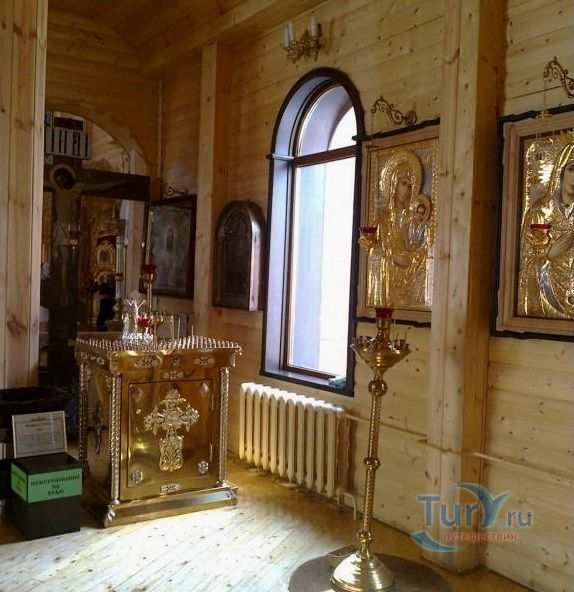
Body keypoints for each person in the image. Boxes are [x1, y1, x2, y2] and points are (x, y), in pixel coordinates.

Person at [366, 150, 431, 308]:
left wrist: (413, 256)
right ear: (393, 185)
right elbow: (373, 250)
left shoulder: (414, 217)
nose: (407, 190)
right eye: (403, 184)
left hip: (410, 271)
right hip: (389, 274)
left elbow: (421, 246)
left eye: (410, 186)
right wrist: (392, 258)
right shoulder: (383, 219)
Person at [518, 141, 574, 319]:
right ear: (560, 171)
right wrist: (549, 255)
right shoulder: (539, 211)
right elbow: (523, 263)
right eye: (572, 169)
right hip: (547, 299)